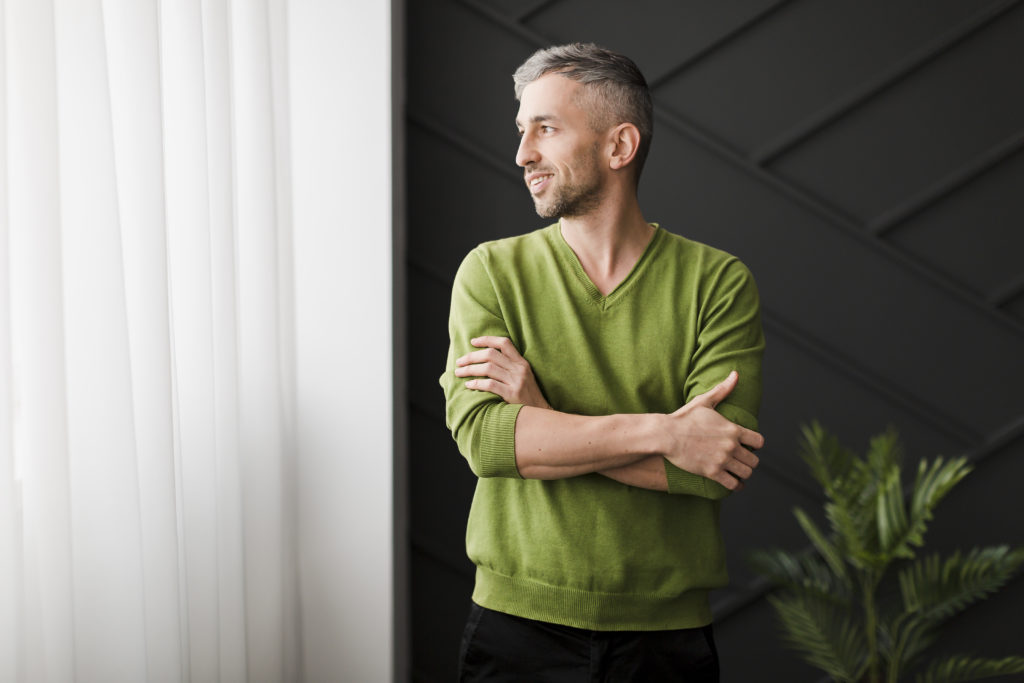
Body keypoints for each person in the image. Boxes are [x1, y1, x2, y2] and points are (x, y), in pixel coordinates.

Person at [439, 43, 765, 682]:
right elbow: (487, 442)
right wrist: (666, 431)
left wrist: (538, 416)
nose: (522, 153)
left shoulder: (718, 282)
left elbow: (711, 467)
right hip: (515, 627)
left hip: (665, 640)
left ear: (620, 147)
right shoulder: (490, 272)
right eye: (521, 129)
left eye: (547, 128)